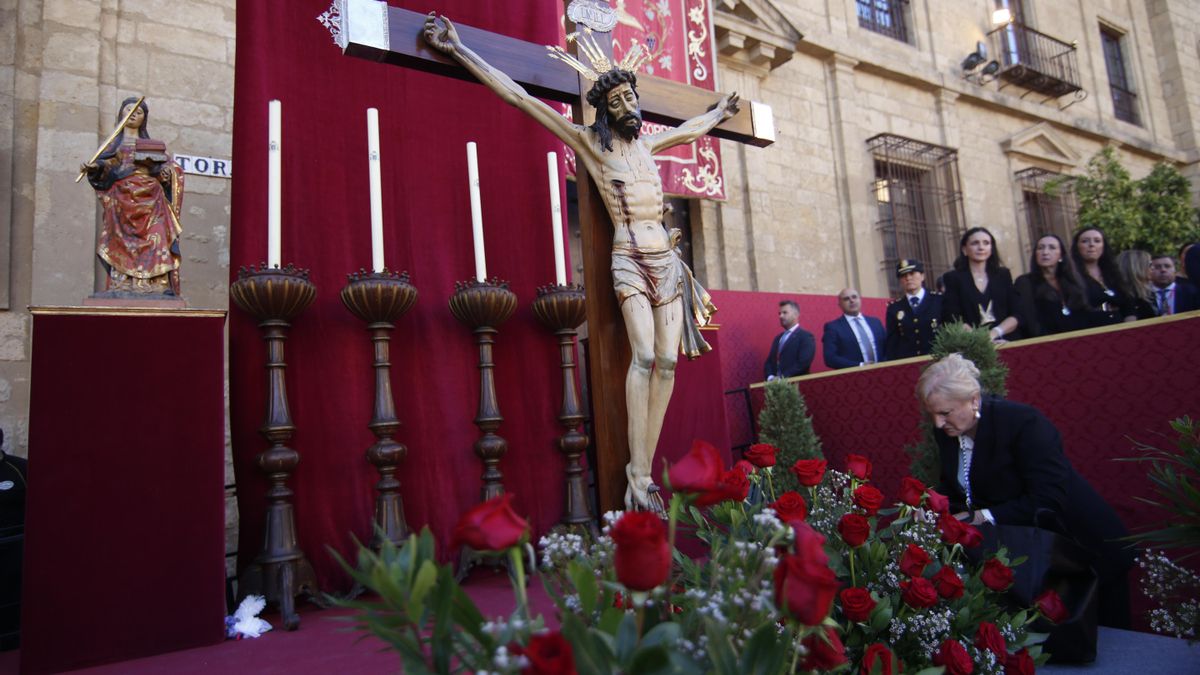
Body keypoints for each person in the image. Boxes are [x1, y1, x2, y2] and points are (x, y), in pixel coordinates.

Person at [423, 15, 740, 512]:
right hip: (629, 259)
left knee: (668, 363)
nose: (628, 106)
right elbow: (520, 98)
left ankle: (642, 469)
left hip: (666, 261)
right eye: (617, 103)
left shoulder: (649, 144)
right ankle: (638, 474)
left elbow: (693, 128)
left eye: (630, 98)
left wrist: (719, 111)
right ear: (604, 111)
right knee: (644, 357)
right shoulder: (590, 144)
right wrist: (460, 51)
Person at [917, 354, 1135, 628]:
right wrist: (931, 505)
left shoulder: (1023, 422)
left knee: (1109, 642)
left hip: (1084, 548)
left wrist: (982, 516)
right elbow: (957, 487)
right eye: (932, 414)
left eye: (945, 413)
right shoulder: (947, 432)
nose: (938, 423)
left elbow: (1048, 497)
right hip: (1040, 558)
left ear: (973, 400)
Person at [81, 97, 184, 296]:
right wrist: (95, 167)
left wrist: (167, 173)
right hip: (122, 199)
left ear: (144, 118)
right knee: (120, 240)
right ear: (121, 113)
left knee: (157, 235)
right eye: (129, 110)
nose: (133, 114)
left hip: (152, 199)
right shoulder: (114, 146)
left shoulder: (152, 145)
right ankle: (122, 282)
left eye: (138, 112)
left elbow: (169, 167)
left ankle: (157, 283)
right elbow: (106, 165)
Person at [940, 227, 1020, 342]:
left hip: (1005, 342)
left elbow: (1016, 314)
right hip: (971, 345)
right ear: (964, 249)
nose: (981, 247)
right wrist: (979, 339)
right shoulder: (953, 278)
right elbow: (952, 317)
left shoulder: (1003, 275)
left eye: (986, 243)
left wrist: (994, 333)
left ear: (991, 248)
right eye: (975, 243)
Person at [1013, 235, 1090, 337]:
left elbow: (1084, 313)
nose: (1045, 252)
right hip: (1044, 340)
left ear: (1061, 255)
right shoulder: (1025, 282)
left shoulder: (1072, 281)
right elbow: (1030, 320)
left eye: (1052, 248)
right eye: (1040, 248)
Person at [1070, 227, 1135, 325]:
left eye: (1097, 241)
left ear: (1104, 246)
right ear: (1077, 247)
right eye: (1085, 241)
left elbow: (1128, 305)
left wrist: (1130, 327)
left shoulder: (1113, 273)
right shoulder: (1071, 276)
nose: (1091, 245)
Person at [884, 259, 942, 359]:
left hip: (937, 359)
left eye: (912, 274)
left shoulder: (938, 300)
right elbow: (892, 343)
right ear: (900, 281)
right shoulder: (894, 308)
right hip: (909, 363)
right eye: (904, 276)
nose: (908, 278)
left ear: (922, 276)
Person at [822, 288, 885, 369]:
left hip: (883, 371)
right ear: (840, 305)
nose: (851, 301)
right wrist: (860, 366)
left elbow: (888, 347)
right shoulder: (833, 327)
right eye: (846, 299)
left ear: (860, 300)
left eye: (854, 297)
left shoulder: (875, 322)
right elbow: (830, 358)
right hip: (854, 374)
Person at [763, 300, 815, 380]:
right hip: (775, 385)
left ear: (796, 315)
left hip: (796, 384)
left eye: (785, 313)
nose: (781, 316)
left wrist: (781, 378)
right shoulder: (778, 338)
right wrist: (770, 377)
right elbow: (769, 362)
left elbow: (803, 363)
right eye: (779, 313)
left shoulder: (806, 337)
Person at [1115, 249, 1157, 320]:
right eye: (1149, 265)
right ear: (1136, 267)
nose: (1153, 268)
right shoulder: (1124, 295)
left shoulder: (1147, 293)